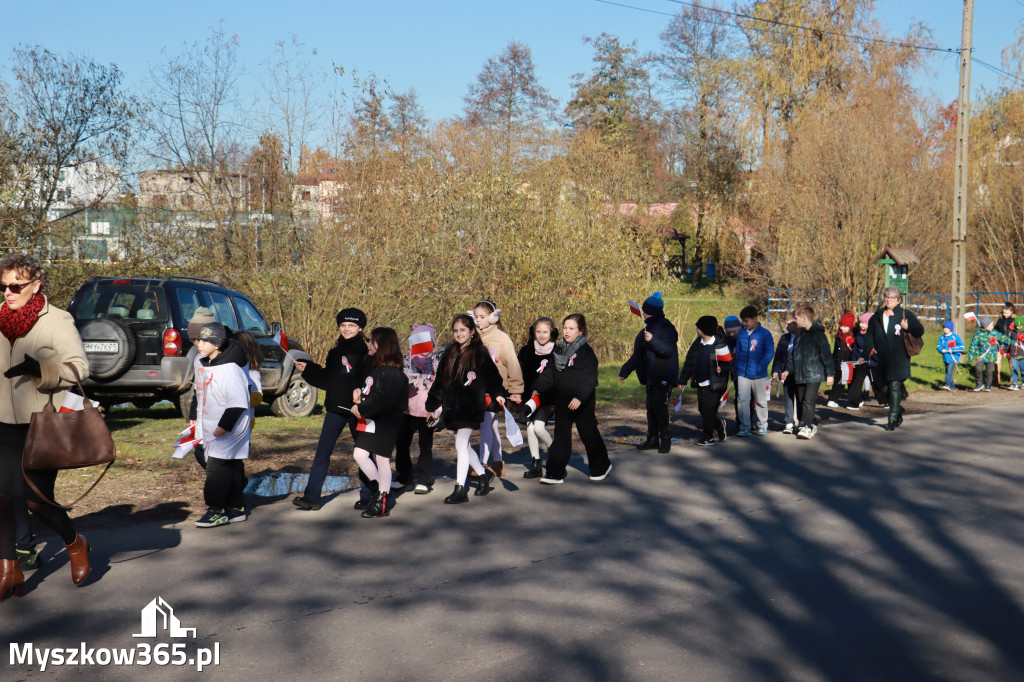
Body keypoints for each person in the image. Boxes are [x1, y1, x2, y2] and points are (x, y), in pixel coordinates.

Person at [0, 253, 92, 597]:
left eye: (15, 286)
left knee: (36, 501)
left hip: (40, 426)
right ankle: (8, 570)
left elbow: (80, 368)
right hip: (1, 425)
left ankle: (75, 542)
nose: (7, 292)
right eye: (3, 285)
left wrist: (41, 370)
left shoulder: (57, 320)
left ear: (35, 285)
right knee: (1, 496)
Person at [292, 308, 370, 511]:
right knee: (322, 452)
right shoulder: (335, 353)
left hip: (358, 411)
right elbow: (327, 379)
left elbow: (370, 380)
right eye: (343, 325)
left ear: (360, 328)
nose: (347, 329)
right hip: (335, 409)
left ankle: (368, 495)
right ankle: (312, 497)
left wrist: (362, 395)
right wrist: (308, 369)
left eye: (351, 326)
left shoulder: (367, 352)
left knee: (363, 453)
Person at [425, 314, 508, 503]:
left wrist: (498, 392)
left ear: (472, 332)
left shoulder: (480, 352)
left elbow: (492, 377)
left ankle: (460, 489)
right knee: (464, 445)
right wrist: (432, 405)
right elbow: (440, 381)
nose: (459, 334)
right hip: (452, 406)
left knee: (461, 444)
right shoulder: (449, 352)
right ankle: (483, 474)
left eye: (463, 330)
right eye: (455, 331)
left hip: (471, 405)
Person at [532, 314, 611, 483]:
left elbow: (590, 379)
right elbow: (550, 373)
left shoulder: (586, 353)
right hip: (562, 400)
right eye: (565, 328)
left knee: (588, 434)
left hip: (582, 402)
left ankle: (601, 466)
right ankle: (555, 473)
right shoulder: (559, 349)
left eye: (571, 328)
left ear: (580, 331)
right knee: (561, 437)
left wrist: (580, 398)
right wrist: (537, 388)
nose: (567, 332)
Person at [193, 323, 252, 528]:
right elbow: (200, 394)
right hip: (212, 424)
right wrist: (197, 420)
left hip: (230, 426)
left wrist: (224, 426)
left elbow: (237, 402)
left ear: (217, 344)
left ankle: (216, 510)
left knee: (216, 468)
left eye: (204, 340)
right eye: (199, 340)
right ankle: (236, 508)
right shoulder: (205, 364)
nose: (198, 344)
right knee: (233, 465)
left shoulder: (230, 369)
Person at [351, 328, 409, 518]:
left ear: (382, 345)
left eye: (372, 342)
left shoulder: (392, 373)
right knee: (359, 454)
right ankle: (379, 490)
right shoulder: (375, 368)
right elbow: (372, 392)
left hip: (387, 420)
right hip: (371, 419)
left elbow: (386, 401)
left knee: (382, 459)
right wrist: (361, 394)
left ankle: (381, 501)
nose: (368, 345)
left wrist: (362, 409)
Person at [617, 292, 679, 453]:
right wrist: (625, 370)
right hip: (651, 376)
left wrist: (653, 341)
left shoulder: (666, 327)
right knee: (650, 407)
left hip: (663, 374)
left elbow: (667, 351)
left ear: (650, 311)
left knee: (660, 406)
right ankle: (652, 439)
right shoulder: (645, 330)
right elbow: (637, 355)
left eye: (645, 310)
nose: (642, 314)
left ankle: (665, 439)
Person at [472, 301, 523, 477]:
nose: (478, 320)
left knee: (486, 422)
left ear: (492, 317)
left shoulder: (502, 338)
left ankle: (482, 464)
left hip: (497, 389)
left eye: (482, 317)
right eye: (476, 316)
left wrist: (516, 389)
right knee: (491, 425)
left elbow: (513, 365)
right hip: (478, 388)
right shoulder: (474, 337)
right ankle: (498, 461)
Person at [863, 287, 925, 431]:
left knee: (895, 387)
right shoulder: (877, 316)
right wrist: (863, 355)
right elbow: (870, 337)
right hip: (882, 359)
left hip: (899, 358)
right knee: (883, 388)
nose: (888, 299)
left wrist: (908, 327)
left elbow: (919, 331)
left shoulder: (905, 314)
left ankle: (892, 419)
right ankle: (897, 408)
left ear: (898, 300)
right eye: (886, 297)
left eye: (892, 297)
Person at [395, 324, 440, 494]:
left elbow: (440, 386)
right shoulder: (407, 360)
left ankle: (424, 480)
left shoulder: (436, 362)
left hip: (427, 411)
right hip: (406, 409)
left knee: (425, 446)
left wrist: (437, 409)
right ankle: (404, 478)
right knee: (402, 444)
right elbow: (399, 380)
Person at [677, 316, 732, 446]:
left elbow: (729, 364)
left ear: (705, 329)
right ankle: (719, 424)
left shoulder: (719, 344)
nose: (696, 329)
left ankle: (708, 437)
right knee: (702, 409)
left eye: (698, 327)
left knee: (707, 409)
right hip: (700, 382)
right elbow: (689, 363)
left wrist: (722, 369)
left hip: (714, 383)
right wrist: (683, 379)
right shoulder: (697, 344)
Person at [781, 306, 833, 439]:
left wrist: (830, 374)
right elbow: (794, 356)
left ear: (804, 319)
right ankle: (810, 423)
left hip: (814, 374)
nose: (795, 321)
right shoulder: (799, 336)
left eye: (796, 318)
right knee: (801, 400)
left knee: (808, 401)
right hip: (799, 374)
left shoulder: (819, 336)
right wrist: (788, 370)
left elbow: (826, 355)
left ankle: (807, 427)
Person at [517, 317, 558, 478]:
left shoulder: (557, 351)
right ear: (533, 333)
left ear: (552, 333)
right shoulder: (526, 351)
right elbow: (518, 371)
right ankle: (536, 463)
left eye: (545, 332)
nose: (541, 335)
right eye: (538, 332)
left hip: (547, 397)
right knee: (530, 427)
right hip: (529, 395)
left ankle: (556, 453)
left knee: (539, 428)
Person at [733, 305, 775, 435]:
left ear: (755, 318)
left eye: (746, 321)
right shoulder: (741, 333)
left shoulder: (765, 334)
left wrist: (760, 367)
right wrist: (737, 368)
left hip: (759, 375)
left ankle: (762, 424)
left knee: (760, 400)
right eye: (743, 321)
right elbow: (739, 351)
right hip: (743, 374)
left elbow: (769, 352)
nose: (744, 324)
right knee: (742, 400)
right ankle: (745, 426)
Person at [770, 312, 800, 433]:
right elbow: (778, 356)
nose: (786, 326)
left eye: (788, 324)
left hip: (798, 372)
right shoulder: (784, 338)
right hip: (785, 373)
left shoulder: (802, 337)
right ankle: (789, 421)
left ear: (795, 323)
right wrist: (775, 370)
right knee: (788, 397)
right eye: (785, 324)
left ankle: (801, 420)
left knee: (800, 397)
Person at [967, 316, 1010, 392]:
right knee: (978, 369)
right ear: (985, 326)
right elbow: (973, 345)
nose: (992, 327)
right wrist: (971, 355)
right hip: (980, 356)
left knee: (989, 371)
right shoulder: (978, 334)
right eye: (990, 325)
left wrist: (1012, 342)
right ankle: (979, 383)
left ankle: (988, 385)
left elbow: (1003, 338)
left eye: (992, 325)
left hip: (991, 356)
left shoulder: (994, 333)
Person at [826, 313, 856, 408]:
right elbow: (835, 351)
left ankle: (856, 400)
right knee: (838, 382)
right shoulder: (839, 337)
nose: (842, 328)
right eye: (841, 326)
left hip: (849, 364)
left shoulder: (853, 337)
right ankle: (833, 399)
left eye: (845, 326)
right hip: (839, 363)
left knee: (852, 384)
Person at [845, 313, 874, 410]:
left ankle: (887, 400)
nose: (861, 325)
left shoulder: (873, 335)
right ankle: (856, 401)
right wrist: (854, 361)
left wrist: (867, 358)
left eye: (863, 323)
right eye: (860, 322)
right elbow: (856, 348)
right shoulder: (859, 334)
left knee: (877, 383)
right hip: (860, 362)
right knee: (856, 382)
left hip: (870, 362)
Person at [937, 321, 965, 391]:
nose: (945, 329)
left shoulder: (955, 337)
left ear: (951, 329)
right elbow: (938, 346)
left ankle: (947, 384)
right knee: (947, 371)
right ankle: (952, 386)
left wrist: (952, 349)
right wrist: (941, 349)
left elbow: (961, 346)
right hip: (946, 357)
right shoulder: (942, 337)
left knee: (949, 371)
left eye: (947, 328)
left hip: (953, 357)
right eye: (944, 328)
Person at [994, 303, 1016, 387]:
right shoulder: (1000, 321)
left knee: (1011, 362)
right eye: (1004, 313)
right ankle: (997, 379)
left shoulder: (1014, 321)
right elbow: (996, 330)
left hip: (1010, 343)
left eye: (1007, 313)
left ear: (1011, 312)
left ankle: (1012, 379)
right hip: (1000, 343)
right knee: (997, 361)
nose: (1005, 315)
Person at [1008, 315, 1024, 390]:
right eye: (1017, 326)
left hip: (1022, 355)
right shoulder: (1012, 332)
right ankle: (1015, 384)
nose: (1018, 327)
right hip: (1014, 354)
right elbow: (1009, 342)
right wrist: (1005, 351)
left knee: (1023, 370)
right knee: (1014, 369)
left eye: (1019, 326)